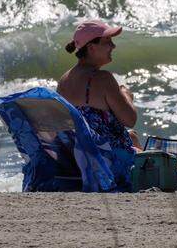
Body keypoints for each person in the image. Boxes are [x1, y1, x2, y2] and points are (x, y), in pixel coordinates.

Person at [57, 18, 139, 189]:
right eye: (107, 41)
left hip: (79, 160)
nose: (113, 46)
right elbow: (130, 119)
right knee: (143, 147)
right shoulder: (103, 79)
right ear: (91, 47)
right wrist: (126, 95)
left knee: (132, 136)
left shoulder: (64, 80)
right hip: (107, 163)